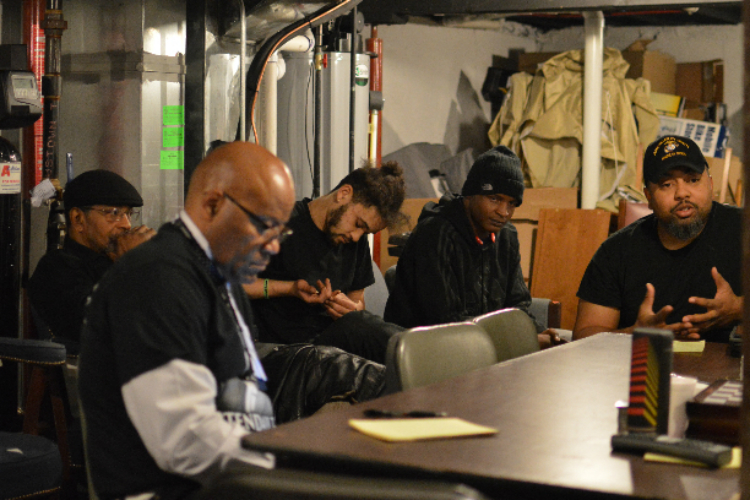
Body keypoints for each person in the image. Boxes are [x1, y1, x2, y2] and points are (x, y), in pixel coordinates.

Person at [77, 142, 381, 500]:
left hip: (236, 481)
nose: (272, 247)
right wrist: (286, 466)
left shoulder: (221, 278)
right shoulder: (157, 278)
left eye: (280, 233)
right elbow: (186, 442)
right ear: (213, 204)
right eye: (264, 226)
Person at [383, 145, 557, 346]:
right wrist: (522, 339)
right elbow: (444, 322)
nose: (504, 212)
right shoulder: (435, 234)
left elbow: (517, 306)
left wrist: (537, 331)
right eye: (494, 199)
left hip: (481, 348)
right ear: (470, 195)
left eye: (511, 204)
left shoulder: (506, 236)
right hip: (426, 351)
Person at [574, 135, 743, 342]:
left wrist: (738, 309)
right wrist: (635, 333)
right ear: (649, 197)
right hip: (646, 368)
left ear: (710, 184)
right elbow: (583, 336)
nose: (682, 193)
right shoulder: (616, 252)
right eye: (666, 184)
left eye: (693, 180)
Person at [245, 162, 407, 364]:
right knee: (361, 329)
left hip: (334, 344)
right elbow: (236, 284)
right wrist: (290, 288)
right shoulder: (281, 223)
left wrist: (350, 308)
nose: (356, 237)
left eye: (365, 232)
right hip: (288, 350)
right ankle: (425, 353)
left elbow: (358, 301)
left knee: (368, 337)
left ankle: (425, 358)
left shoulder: (354, 242)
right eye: (358, 224)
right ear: (344, 194)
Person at [27, 169, 156, 354]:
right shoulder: (57, 268)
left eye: (129, 214)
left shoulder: (113, 262)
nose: (126, 224)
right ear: (78, 219)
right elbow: (101, 327)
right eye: (114, 213)